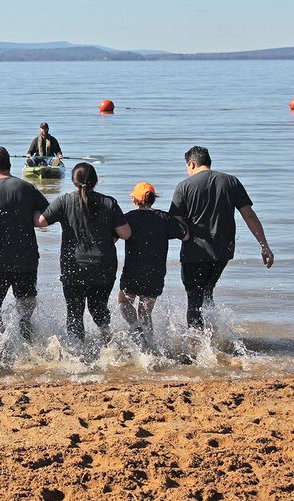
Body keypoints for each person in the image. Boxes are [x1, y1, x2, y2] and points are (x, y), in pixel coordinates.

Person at [169, 146, 274, 329]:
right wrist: (264, 245)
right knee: (207, 291)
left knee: (194, 298)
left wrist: (183, 233)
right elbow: (249, 215)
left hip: (195, 252)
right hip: (222, 252)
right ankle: (213, 334)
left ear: (191, 164)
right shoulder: (230, 181)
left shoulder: (184, 186)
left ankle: (199, 345)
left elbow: (175, 222)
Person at [37, 163, 132, 353]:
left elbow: (41, 222)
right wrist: (109, 238)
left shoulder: (64, 201)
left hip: (74, 268)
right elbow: (126, 234)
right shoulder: (109, 203)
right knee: (99, 311)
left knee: (74, 314)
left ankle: (77, 355)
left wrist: (31, 205)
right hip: (103, 268)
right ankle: (109, 347)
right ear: (95, 181)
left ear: (73, 181)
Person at [0, 147, 49, 362]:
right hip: (26, 260)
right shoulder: (27, 188)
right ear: (10, 166)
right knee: (25, 308)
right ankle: (28, 348)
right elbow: (43, 219)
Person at [117, 182, 188, 343]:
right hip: (156, 272)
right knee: (146, 312)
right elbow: (185, 235)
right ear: (152, 200)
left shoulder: (128, 217)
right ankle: (149, 342)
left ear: (135, 200)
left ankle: (137, 330)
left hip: (133, 270)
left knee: (123, 302)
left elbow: (117, 235)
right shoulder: (164, 218)